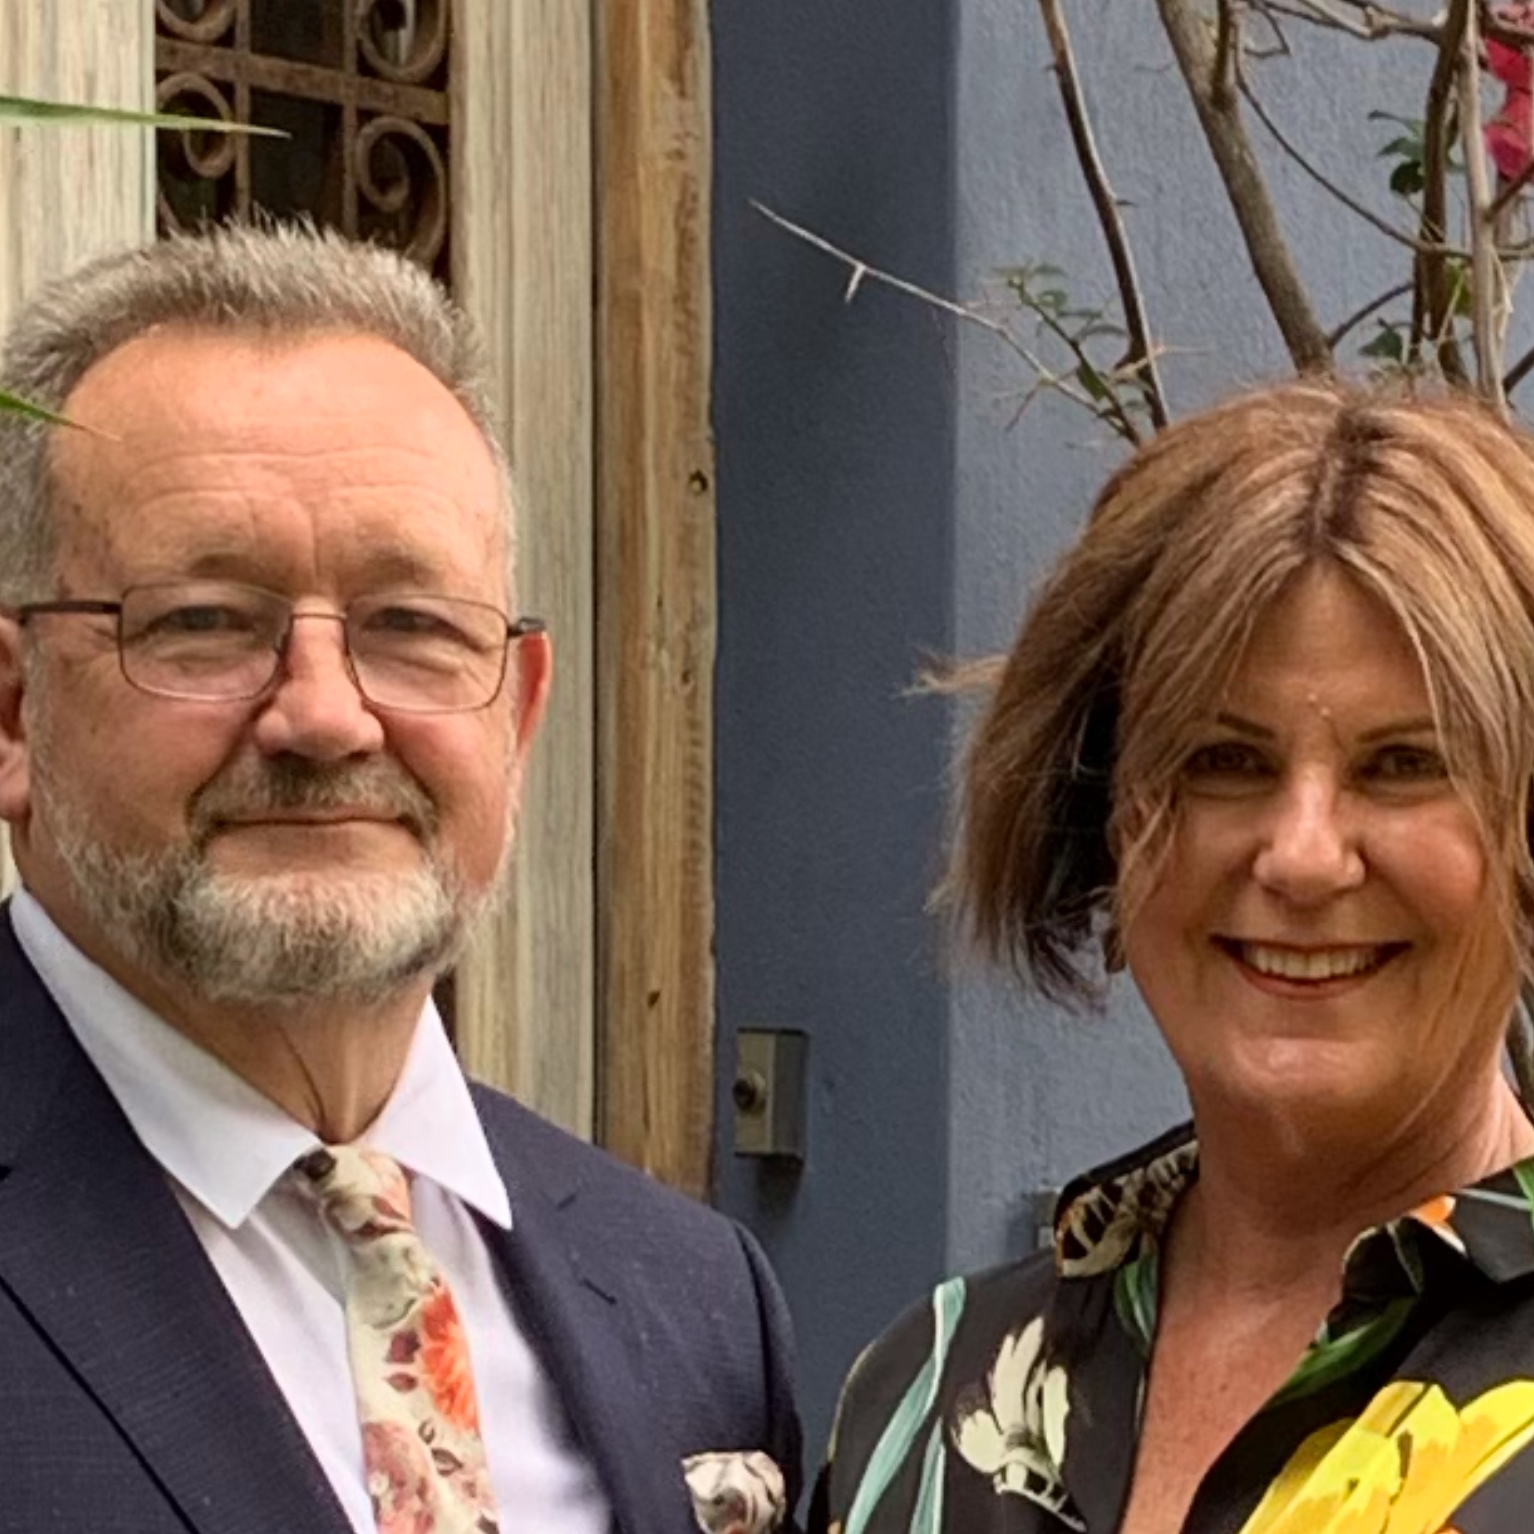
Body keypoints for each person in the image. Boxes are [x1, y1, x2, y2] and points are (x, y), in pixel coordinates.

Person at [0, 225, 799, 1534]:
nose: (324, 716)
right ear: (14, 709)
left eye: (412, 626)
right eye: (206, 621)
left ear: (517, 714)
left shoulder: (695, 1298)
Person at [810, 380, 1534, 1534]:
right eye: (1222, 762)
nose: (1302, 856)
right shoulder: (927, 1399)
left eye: (1403, 764)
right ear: (1097, 813)